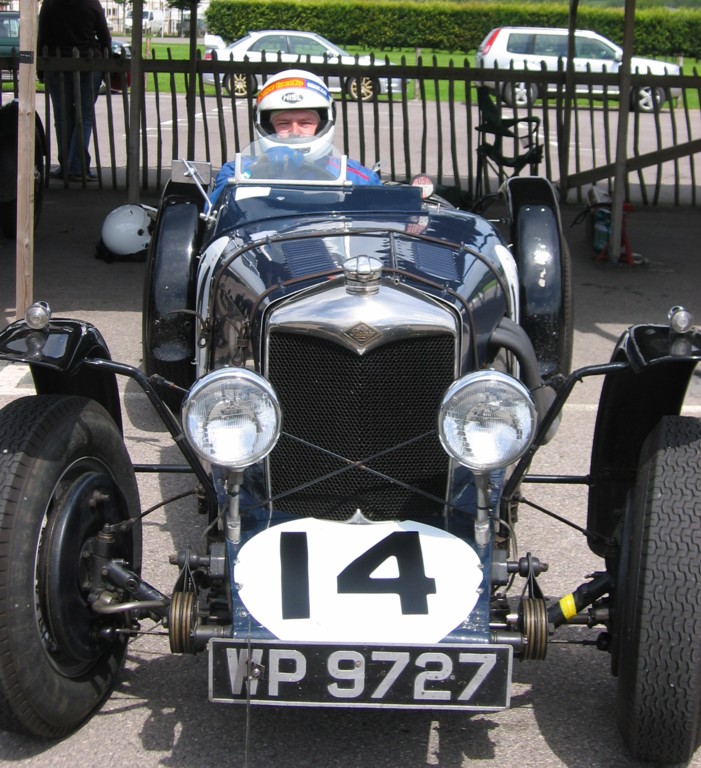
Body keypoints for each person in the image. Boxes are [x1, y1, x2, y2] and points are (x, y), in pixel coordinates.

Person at [209, 70, 381, 205]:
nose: (295, 131)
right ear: (268, 127)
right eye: (283, 123)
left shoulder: (357, 178)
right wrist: (254, 172)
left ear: (322, 124)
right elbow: (214, 218)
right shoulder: (236, 171)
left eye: (305, 123)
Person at [37, 0, 111, 182]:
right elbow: (104, 36)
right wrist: (107, 65)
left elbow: (42, 36)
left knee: (63, 117)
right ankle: (77, 166)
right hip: (89, 62)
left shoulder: (50, 4)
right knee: (84, 116)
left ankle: (68, 165)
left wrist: (40, 67)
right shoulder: (92, 3)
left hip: (57, 62)